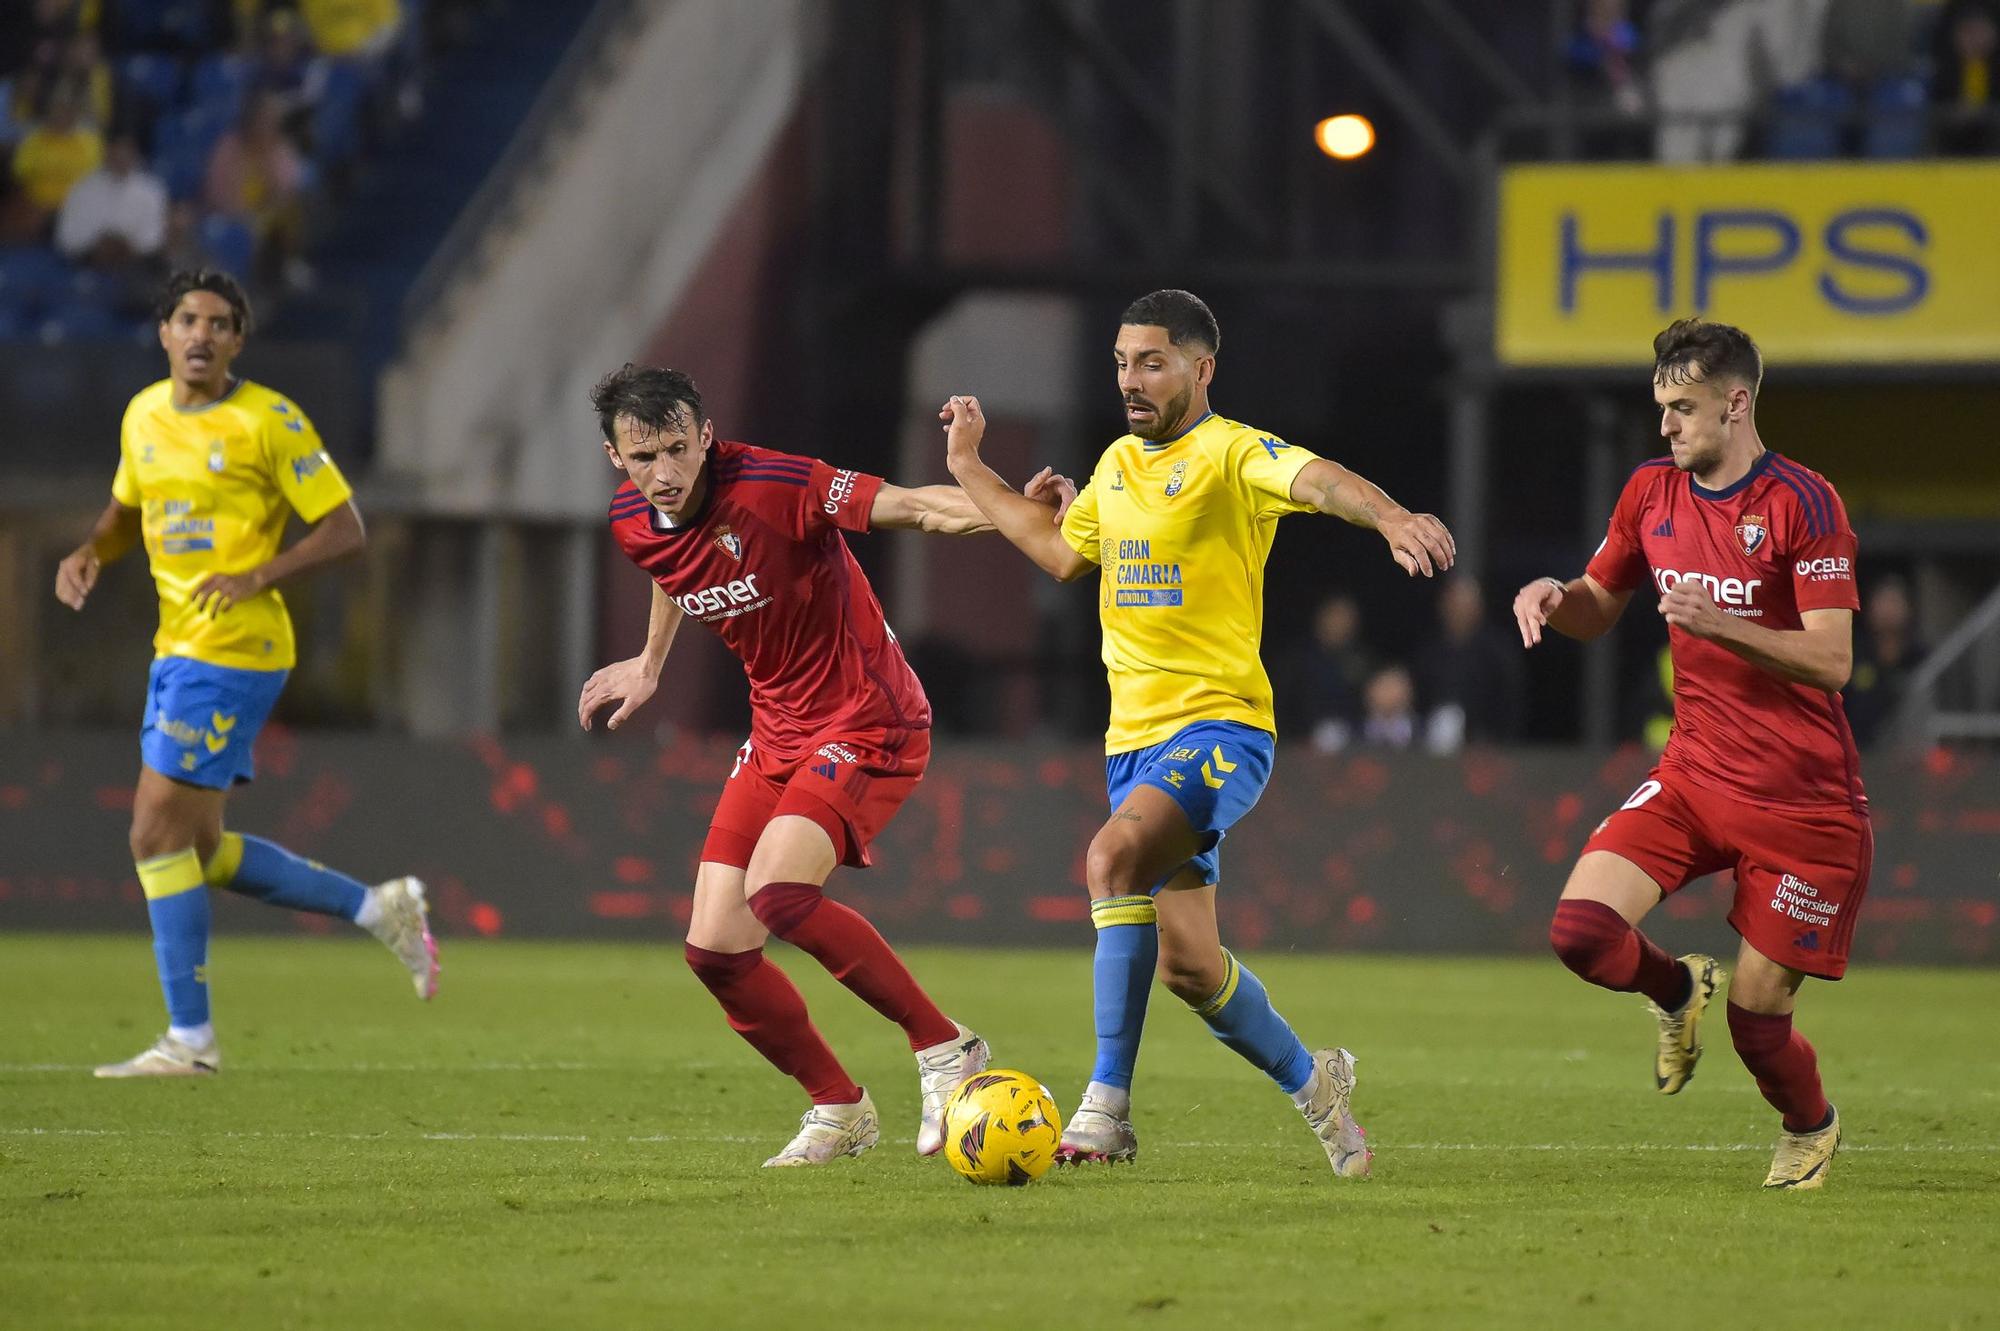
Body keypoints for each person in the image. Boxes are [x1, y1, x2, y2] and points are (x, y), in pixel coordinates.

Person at [941, 289, 1455, 1175]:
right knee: (1188, 968)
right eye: (1120, 362)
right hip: (1132, 747)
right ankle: (1318, 1086)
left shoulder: (1229, 452)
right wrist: (967, 466)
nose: (1130, 380)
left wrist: (1393, 516)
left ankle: (1105, 1104)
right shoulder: (1114, 465)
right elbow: (1060, 550)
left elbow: (1322, 479)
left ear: (1200, 368)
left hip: (1220, 729)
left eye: (1151, 361)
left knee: (1110, 860)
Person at [576, 364, 1073, 1168]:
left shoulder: (779, 483)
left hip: (869, 718)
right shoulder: (634, 516)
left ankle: (945, 1045)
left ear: (707, 435)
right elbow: (672, 566)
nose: (663, 473)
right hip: (776, 734)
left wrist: (1014, 510)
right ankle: (839, 1107)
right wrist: (649, 661)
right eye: (642, 458)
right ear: (615, 457)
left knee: (776, 891)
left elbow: (913, 507)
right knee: (715, 951)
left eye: (677, 448)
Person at [53, 269, 439, 1079]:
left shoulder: (270, 420)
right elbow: (129, 509)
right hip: (177, 647)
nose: (201, 333)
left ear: (236, 341)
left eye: (219, 323)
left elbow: (346, 527)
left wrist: (258, 575)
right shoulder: (143, 415)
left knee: (152, 830)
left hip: (236, 648)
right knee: (201, 847)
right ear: (163, 332)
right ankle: (378, 907)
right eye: (187, 318)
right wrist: (92, 550)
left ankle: (190, 1039)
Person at [1515, 317, 1867, 1190]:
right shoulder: (1650, 492)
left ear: (1735, 402)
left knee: (1758, 1021)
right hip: (1694, 776)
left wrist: (1723, 624)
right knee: (1581, 932)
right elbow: (1600, 604)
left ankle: (1810, 1124)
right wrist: (1556, 596)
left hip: (1804, 809)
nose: (1665, 425)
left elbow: (1834, 658)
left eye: (1682, 407)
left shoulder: (1804, 502)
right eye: (1660, 407)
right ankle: (1675, 990)